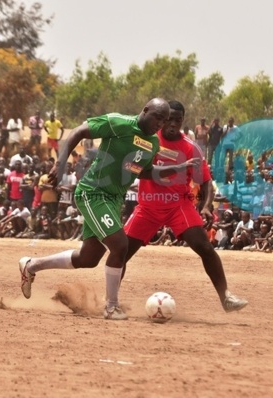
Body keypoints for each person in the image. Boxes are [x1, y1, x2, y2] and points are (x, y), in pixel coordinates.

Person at [18, 98, 195, 320]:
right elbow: (79, 132)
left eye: (164, 120)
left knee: (88, 258)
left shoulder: (153, 143)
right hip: (93, 192)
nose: (160, 123)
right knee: (120, 245)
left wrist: (177, 168)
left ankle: (31, 265)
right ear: (145, 110)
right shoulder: (118, 122)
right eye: (157, 117)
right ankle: (111, 307)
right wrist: (60, 163)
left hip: (113, 200)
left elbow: (144, 172)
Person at [122, 100, 248, 312]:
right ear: (162, 119)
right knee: (121, 252)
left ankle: (226, 297)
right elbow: (132, 167)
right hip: (148, 206)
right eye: (168, 119)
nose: (172, 124)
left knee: (205, 248)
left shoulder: (191, 148)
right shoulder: (149, 140)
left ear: (182, 122)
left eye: (177, 120)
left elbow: (206, 181)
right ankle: (111, 300)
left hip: (178, 206)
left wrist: (207, 206)